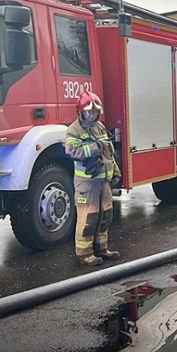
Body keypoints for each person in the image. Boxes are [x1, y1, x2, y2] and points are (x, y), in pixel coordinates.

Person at [65, 91, 122, 266]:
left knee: (105, 215)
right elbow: (72, 151)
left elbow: (108, 153)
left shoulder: (100, 127)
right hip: (87, 184)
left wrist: (115, 171)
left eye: (95, 112)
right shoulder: (74, 130)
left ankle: (102, 249)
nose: (92, 115)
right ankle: (85, 254)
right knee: (89, 217)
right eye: (89, 112)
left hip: (103, 181)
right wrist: (95, 147)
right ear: (81, 112)